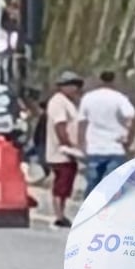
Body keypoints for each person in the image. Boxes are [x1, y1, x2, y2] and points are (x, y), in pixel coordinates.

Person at [78, 70, 135, 197]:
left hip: (94, 147)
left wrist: (81, 143)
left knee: (92, 183)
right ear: (114, 81)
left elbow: (82, 122)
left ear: (99, 80)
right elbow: (132, 118)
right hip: (115, 148)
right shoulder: (120, 98)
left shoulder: (88, 98)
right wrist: (129, 140)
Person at [45, 70, 85, 227]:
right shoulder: (58, 102)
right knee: (61, 182)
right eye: (73, 85)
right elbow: (60, 125)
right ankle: (58, 214)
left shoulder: (68, 102)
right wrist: (67, 144)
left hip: (69, 151)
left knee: (67, 183)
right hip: (61, 151)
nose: (76, 89)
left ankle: (62, 212)